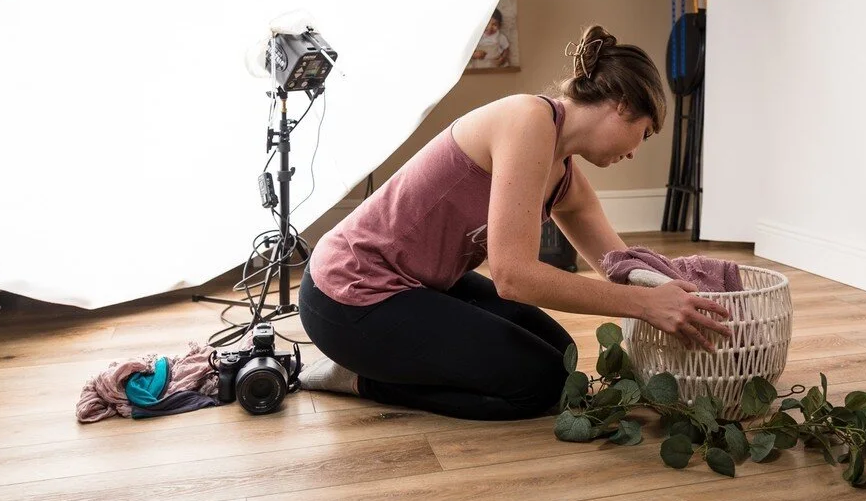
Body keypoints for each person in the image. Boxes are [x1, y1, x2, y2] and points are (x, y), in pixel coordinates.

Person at [296, 24, 732, 421]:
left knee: (560, 354)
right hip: (348, 294)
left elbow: (620, 268)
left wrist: (681, 293)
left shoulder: (565, 176)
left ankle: (399, 359)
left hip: (419, 285)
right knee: (540, 383)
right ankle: (359, 377)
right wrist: (644, 306)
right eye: (645, 131)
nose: (637, 150)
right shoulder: (527, 119)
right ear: (621, 107)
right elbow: (513, 277)